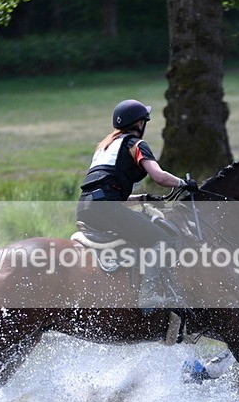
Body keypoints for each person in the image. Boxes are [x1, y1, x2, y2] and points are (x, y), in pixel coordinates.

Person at [76, 99, 199, 308]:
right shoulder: (136, 144)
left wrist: (142, 199)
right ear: (140, 124)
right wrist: (183, 183)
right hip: (106, 209)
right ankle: (148, 295)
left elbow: (106, 191)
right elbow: (159, 177)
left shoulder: (105, 146)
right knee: (162, 241)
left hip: (86, 209)